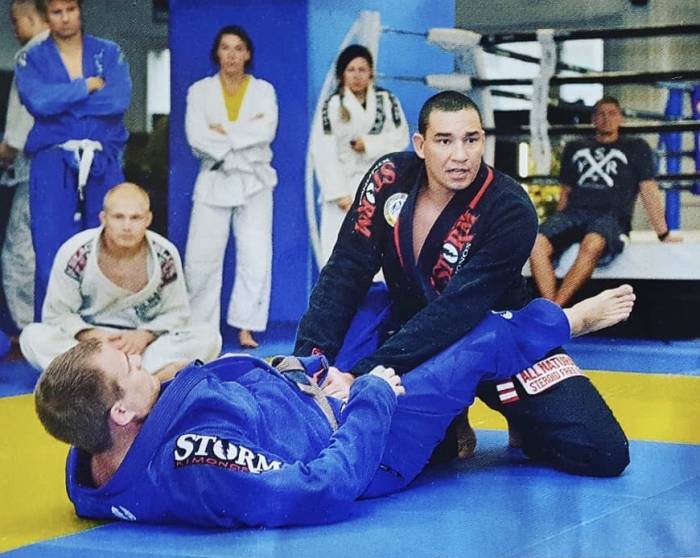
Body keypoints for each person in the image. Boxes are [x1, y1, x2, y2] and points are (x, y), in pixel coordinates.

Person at [34, 284, 634, 528]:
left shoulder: (94, 455)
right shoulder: (198, 461)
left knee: (378, 299)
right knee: (482, 335)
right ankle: (565, 321)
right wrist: (370, 397)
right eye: (130, 369)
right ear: (120, 414)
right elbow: (322, 486)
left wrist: (306, 376)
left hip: (307, 390)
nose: (141, 363)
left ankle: (459, 421)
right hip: (368, 441)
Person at [294, 91, 630, 477]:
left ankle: (527, 400)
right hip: (415, 340)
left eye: (471, 140)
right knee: (401, 447)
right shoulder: (388, 178)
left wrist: (365, 372)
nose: (460, 155)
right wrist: (305, 365)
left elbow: (459, 310)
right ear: (420, 145)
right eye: (444, 141)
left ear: (483, 140)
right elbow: (345, 271)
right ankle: (452, 423)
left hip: (499, 338)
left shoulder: (509, 206)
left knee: (603, 450)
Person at [20, 183, 221, 373]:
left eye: (135, 218)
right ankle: (132, 375)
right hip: (92, 345)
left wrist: (145, 336)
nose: (127, 226)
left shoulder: (164, 254)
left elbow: (177, 313)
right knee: (33, 337)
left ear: (148, 219)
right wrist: (90, 336)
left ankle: (102, 377)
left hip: (145, 347)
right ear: (103, 218)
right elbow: (58, 314)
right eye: (118, 217)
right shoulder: (76, 253)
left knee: (208, 337)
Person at [14, 0, 132, 319]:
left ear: (80, 10)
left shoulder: (108, 52)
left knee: (111, 244)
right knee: (50, 249)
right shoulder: (31, 58)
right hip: (53, 159)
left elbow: (118, 99)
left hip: (102, 156)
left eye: (71, 9)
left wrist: (62, 102)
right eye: (57, 12)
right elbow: (39, 102)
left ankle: (106, 327)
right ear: (46, 16)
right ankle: (53, 331)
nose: (65, 18)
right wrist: (86, 87)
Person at [529, 96, 682, 307]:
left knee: (592, 243)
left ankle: (556, 309)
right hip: (573, 213)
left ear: (621, 118)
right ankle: (551, 309)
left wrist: (663, 233)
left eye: (612, 113)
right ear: (593, 119)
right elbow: (566, 191)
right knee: (536, 243)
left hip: (611, 216)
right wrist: (556, 223)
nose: (606, 118)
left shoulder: (636, 147)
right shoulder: (575, 147)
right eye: (600, 114)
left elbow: (648, 190)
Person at [183, 25, 278, 350]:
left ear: (247, 53)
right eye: (225, 48)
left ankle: (246, 326)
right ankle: (201, 329)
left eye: (239, 48)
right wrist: (243, 133)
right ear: (217, 53)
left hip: (255, 180)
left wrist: (223, 131)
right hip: (215, 177)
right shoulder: (199, 91)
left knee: (256, 254)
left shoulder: (263, 90)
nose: (232, 55)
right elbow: (197, 138)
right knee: (201, 258)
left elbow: (265, 131)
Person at [310, 44, 409, 264]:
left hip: (378, 183)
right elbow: (323, 150)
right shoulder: (332, 105)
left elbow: (400, 137)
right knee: (337, 250)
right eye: (351, 70)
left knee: (377, 250)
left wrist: (369, 144)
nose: (356, 76)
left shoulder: (387, 100)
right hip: (343, 185)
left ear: (371, 72)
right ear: (342, 74)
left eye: (362, 69)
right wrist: (339, 193)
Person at [0, 0, 48, 331]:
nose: (15, 30)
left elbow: (19, 130)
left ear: (30, 18)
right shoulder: (68, 53)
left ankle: (25, 328)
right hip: (67, 169)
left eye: (16, 22)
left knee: (20, 250)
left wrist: (6, 151)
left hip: (34, 167)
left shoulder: (30, 56)